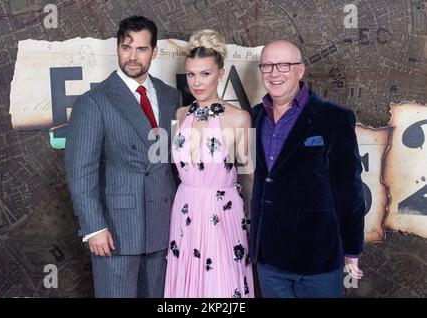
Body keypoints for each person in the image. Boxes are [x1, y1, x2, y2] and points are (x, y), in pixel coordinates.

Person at [65, 16, 181, 298]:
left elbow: (175, 166)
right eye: (126, 47)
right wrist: (94, 228)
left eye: (141, 49)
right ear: (117, 48)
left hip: (163, 228)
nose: (132, 56)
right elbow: (81, 172)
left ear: (154, 52)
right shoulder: (94, 101)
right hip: (116, 232)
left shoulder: (172, 97)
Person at [250, 40, 366, 298]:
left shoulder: (334, 117)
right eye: (267, 66)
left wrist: (351, 253)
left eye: (283, 65)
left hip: (318, 258)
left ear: (300, 70)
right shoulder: (255, 116)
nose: (274, 73)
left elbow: (349, 191)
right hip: (269, 259)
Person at [164, 30, 255, 298]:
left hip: (222, 213)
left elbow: (253, 173)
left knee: (222, 286)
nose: (197, 82)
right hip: (185, 208)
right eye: (191, 74)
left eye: (205, 73)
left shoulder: (239, 118)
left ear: (220, 73)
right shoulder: (180, 115)